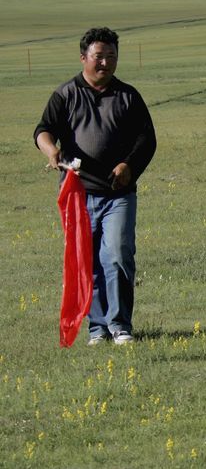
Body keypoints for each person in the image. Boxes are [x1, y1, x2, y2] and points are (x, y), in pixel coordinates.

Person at [34, 27, 156, 345]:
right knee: (86, 261)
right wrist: (51, 151)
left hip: (118, 193)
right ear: (84, 58)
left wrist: (129, 166)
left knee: (116, 253)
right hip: (78, 194)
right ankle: (97, 327)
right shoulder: (66, 95)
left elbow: (147, 139)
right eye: (99, 56)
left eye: (111, 56)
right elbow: (43, 130)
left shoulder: (128, 96)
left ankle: (120, 326)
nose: (105, 63)